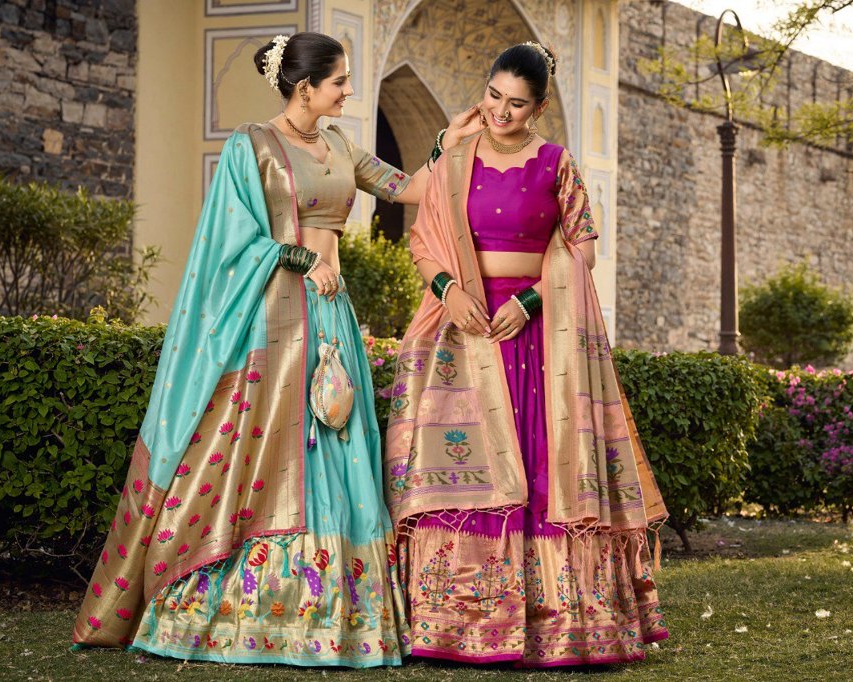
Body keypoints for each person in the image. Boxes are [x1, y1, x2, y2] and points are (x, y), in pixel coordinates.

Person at [71, 31, 480, 667]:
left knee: (336, 439)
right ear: (304, 86)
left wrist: (446, 145)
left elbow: (409, 187)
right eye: (339, 80)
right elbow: (229, 239)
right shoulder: (252, 145)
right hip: (273, 318)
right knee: (265, 445)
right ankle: (228, 609)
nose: (348, 90)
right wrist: (294, 255)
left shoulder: (341, 144)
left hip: (331, 315)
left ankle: (334, 619)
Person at [384, 42, 669, 667]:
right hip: (465, 328)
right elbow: (424, 240)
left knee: (544, 470)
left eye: (516, 104)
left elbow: (583, 250)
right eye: (493, 96)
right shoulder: (455, 159)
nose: (500, 112)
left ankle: (558, 625)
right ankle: (455, 620)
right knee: (469, 467)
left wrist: (534, 302)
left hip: (539, 340)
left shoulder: (555, 164)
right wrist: (448, 291)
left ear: (538, 107)